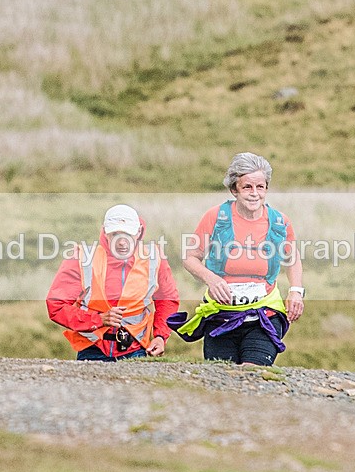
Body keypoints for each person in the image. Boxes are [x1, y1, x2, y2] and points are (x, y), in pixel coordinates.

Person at [170, 152, 304, 366]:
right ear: (234, 189)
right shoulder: (216, 217)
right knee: (223, 376)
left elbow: (292, 257)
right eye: (247, 187)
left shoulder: (280, 222)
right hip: (221, 316)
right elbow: (190, 257)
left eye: (260, 187)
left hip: (264, 315)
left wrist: (296, 291)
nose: (254, 194)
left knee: (252, 372)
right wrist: (212, 279)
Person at [47, 204, 180, 361]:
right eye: (115, 234)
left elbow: (167, 299)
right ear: (105, 232)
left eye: (127, 234)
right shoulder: (81, 258)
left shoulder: (154, 258)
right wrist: (98, 320)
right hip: (92, 348)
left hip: (136, 349)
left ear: (138, 232)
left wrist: (160, 336)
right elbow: (56, 306)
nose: (122, 242)